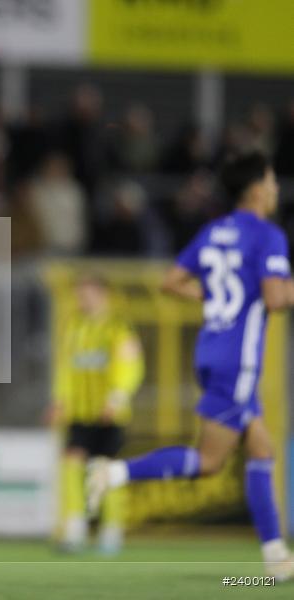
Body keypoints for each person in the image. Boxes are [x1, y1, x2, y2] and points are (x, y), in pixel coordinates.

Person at [87, 151, 294, 580]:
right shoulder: (268, 236)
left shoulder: (215, 230)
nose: (275, 188)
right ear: (256, 188)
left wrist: (215, 299)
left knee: (261, 447)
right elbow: (275, 299)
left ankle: (276, 557)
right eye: (272, 181)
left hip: (211, 350)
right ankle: (114, 471)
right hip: (238, 360)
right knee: (208, 462)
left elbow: (171, 282)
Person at [48, 274, 143, 553]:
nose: (83, 300)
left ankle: (112, 530)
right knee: (72, 463)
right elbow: (66, 368)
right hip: (80, 411)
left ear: (103, 295)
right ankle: (75, 527)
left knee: (106, 468)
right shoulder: (75, 326)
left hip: (109, 412)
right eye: (80, 294)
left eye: (88, 294)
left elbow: (131, 366)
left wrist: (116, 397)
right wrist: (59, 400)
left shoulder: (118, 328)